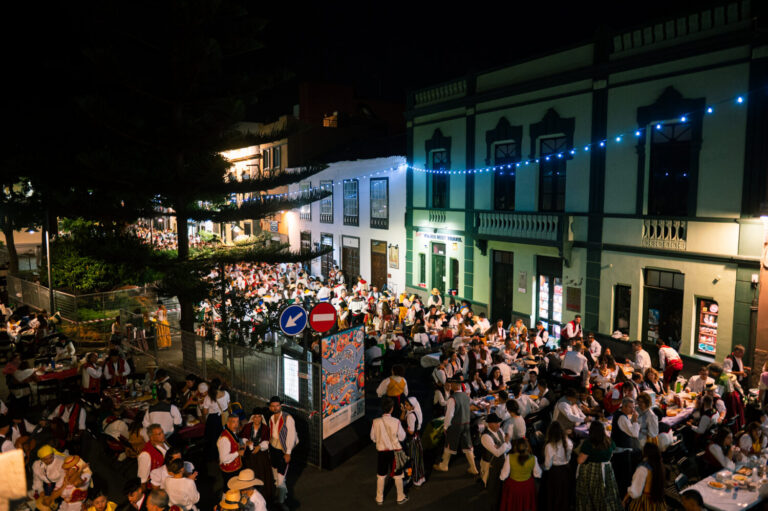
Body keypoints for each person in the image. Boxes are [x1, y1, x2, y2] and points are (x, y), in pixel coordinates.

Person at [433, 378, 479, 475]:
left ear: (454, 385)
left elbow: (449, 415)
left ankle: (444, 465)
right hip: (466, 424)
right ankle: (473, 467)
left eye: (451, 384)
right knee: (468, 446)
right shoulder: (466, 396)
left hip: (455, 425)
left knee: (449, 445)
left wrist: (445, 427)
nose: (450, 385)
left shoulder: (452, 398)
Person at [575, 421, 622, 511]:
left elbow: (580, 460)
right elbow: (612, 454)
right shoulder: (609, 441)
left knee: (590, 495)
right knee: (606, 494)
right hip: (607, 470)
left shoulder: (588, 443)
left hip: (591, 471)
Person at [370, 396, 408, 505]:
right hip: (395, 452)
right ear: (392, 408)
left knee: (381, 475)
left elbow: (372, 437)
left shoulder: (375, 421)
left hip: (381, 452)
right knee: (398, 475)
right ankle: (400, 497)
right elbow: (402, 437)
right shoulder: (396, 421)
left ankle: (379, 498)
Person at [267, 396, 298, 511]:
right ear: (270, 407)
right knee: (276, 477)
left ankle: (281, 502)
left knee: (280, 479)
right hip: (273, 450)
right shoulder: (271, 418)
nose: (275, 408)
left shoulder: (287, 418)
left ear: (281, 406)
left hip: (283, 451)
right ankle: (282, 495)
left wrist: (288, 452)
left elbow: (292, 435)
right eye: (273, 406)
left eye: (277, 406)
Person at [240, 408, 275, 502]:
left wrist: (259, 447)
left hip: (261, 456)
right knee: (249, 473)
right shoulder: (247, 427)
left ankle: (263, 496)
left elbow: (267, 441)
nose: (257, 419)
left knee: (262, 474)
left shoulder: (265, 428)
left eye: (259, 417)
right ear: (252, 418)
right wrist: (246, 442)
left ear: (261, 418)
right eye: (255, 417)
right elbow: (242, 437)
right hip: (249, 456)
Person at [499, 438, 541, 511]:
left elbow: (503, 476)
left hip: (513, 487)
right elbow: (538, 474)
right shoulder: (533, 458)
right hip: (527, 487)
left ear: (515, 447)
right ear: (527, 447)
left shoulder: (509, 457)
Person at [540, 421, 573, 511]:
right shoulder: (568, 442)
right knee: (564, 494)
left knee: (554, 496)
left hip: (555, 473)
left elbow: (547, 465)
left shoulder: (550, 446)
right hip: (566, 470)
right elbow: (569, 458)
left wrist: (541, 467)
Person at [624, 443, 666, 511]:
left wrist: (624, 500)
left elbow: (635, 492)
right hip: (657, 502)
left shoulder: (642, 469)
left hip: (644, 504)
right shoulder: (660, 466)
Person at [401, 396, 425, 486]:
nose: (406, 406)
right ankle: (418, 477)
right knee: (416, 459)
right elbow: (402, 419)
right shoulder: (411, 413)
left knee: (413, 459)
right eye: (405, 404)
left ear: (412, 406)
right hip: (416, 439)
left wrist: (403, 429)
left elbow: (411, 431)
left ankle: (415, 478)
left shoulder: (411, 416)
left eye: (407, 405)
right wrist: (403, 411)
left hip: (412, 441)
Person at [219, 414, 246, 486]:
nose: (236, 425)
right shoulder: (225, 439)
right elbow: (224, 458)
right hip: (230, 471)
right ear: (228, 423)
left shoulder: (232, 432)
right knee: (230, 491)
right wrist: (238, 453)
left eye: (237, 422)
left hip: (235, 467)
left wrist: (240, 446)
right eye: (233, 422)